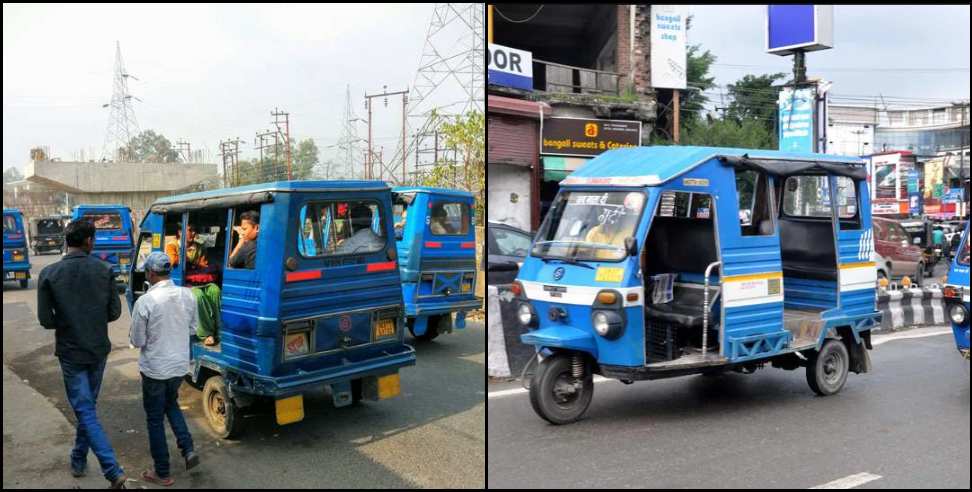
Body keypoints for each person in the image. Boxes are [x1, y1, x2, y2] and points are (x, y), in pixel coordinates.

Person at [36, 219, 128, 489]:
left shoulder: (50, 274)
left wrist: (68, 321)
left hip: (71, 352)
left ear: (67, 241)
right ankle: (78, 459)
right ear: (89, 241)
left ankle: (111, 470)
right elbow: (114, 312)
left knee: (85, 410)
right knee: (86, 409)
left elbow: (45, 320)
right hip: (97, 351)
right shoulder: (105, 269)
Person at [129, 252, 201, 486]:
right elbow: (193, 329)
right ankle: (188, 448)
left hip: (155, 369)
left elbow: (138, 340)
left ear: (150, 273)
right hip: (179, 366)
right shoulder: (188, 295)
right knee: (171, 404)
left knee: (154, 419)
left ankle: (162, 471)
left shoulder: (146, 301)